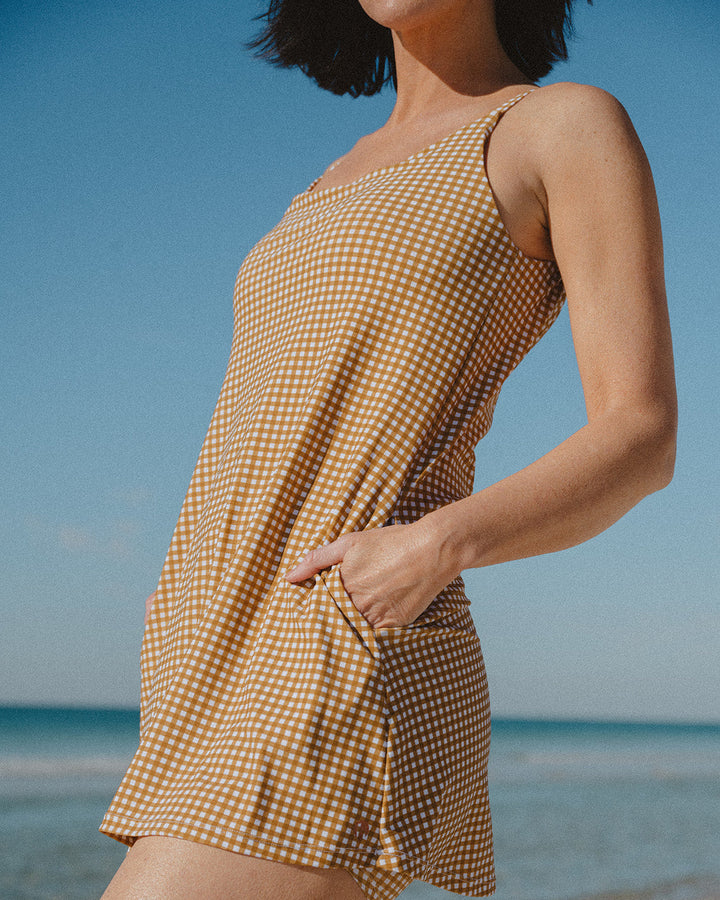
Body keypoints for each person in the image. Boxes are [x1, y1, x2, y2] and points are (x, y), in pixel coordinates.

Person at [100, 1, 677, 898]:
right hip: (210, 641)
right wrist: (187, 585)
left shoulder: (556, 127)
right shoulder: (324, 182)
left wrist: (433, 546)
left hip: (347, 629)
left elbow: (640, 434)